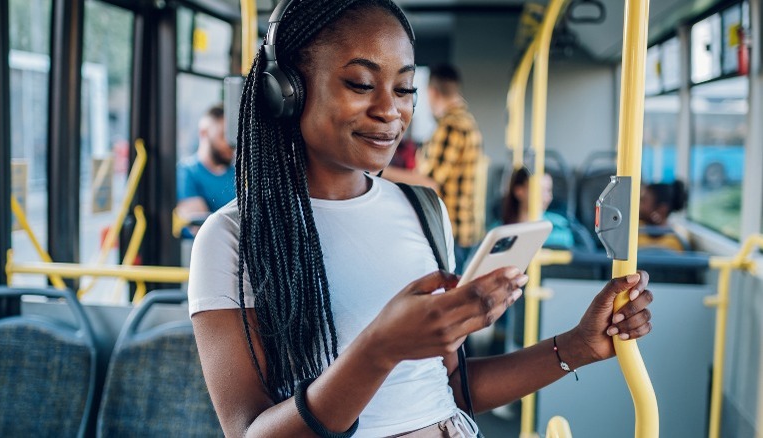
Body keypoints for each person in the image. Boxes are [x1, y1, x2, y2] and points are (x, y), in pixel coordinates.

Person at [188, 1, 654, 437]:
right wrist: (379, 349)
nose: (390, 110)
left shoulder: (422, 210)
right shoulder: (231, 238)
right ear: (284, 91)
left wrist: (577, 346)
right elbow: (249, 430)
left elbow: (448, 389)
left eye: (406, 88)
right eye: (361, 85)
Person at [418, 64, 482, 271]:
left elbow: (429, 182)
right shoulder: (468, 122)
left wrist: (383, 173)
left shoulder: (451, 126)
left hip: (451, 230)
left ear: (433, 92)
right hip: (463, 229)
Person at [176, 104, 236, 235]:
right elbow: (202, 229)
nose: (230, 144)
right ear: (204, 132)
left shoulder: (238, 175)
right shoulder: (186, 172)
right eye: (223, 136)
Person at [501, 167, 574, 249]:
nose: (547, 197)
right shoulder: (499, 232)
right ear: (519, 191)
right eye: (540, 190)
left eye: (548, 190)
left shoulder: (560, 225)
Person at [638, 180, 690, 251]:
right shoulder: (636, 229)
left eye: (643, 201)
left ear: (662, 209)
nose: (638, 205)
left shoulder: (676, 243)